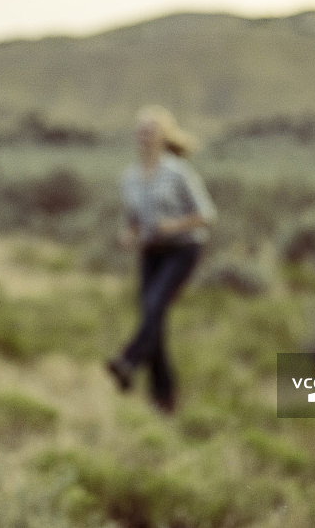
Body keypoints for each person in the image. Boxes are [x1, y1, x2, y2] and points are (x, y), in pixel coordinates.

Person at [107, 105, 217, 413]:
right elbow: (132, 219)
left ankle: (128, 361)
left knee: (154, 305)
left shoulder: (178, 172)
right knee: (152, 319)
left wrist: (175, 224)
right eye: (141, 130)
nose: (144, 136)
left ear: (163, 136)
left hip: (183, 249)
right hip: (150, 251)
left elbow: (206, 215)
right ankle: (163, 397)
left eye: (151, 130)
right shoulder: (129, 176)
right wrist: (128, 234)